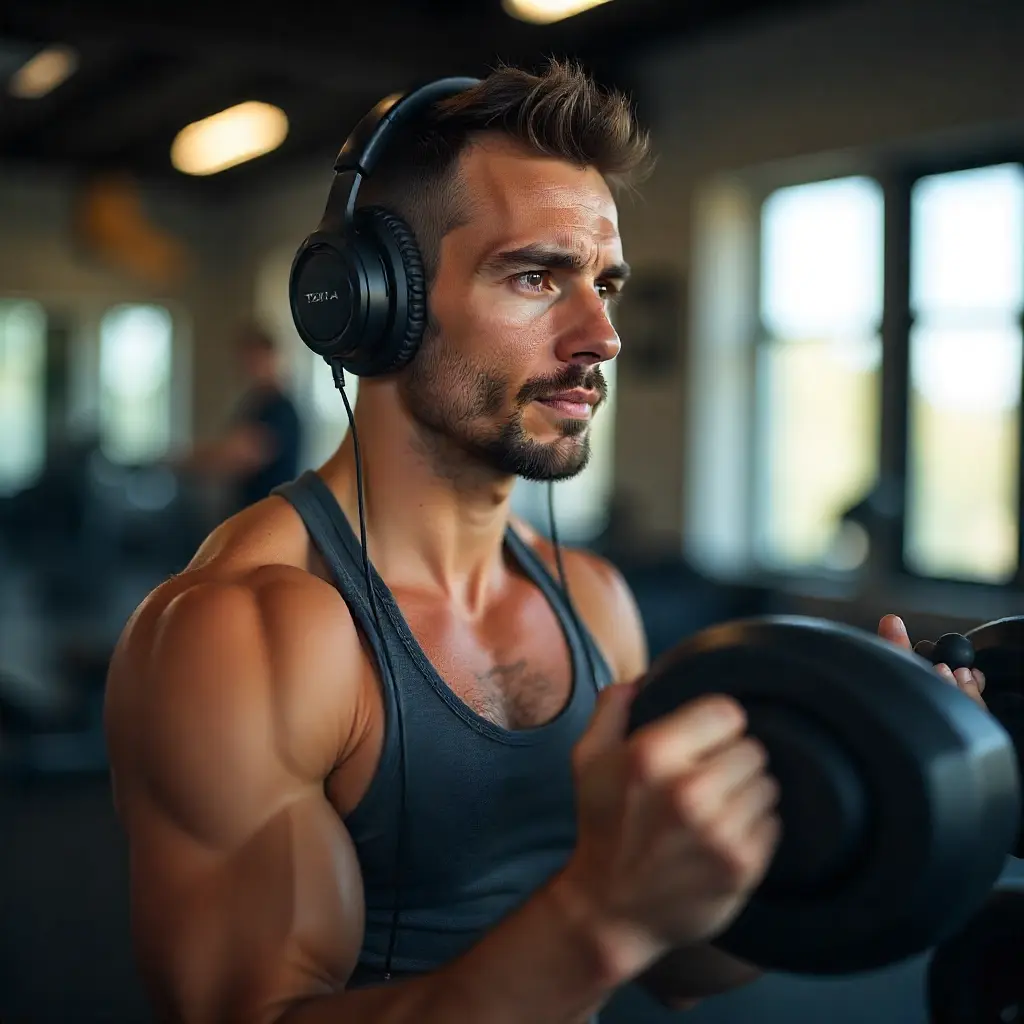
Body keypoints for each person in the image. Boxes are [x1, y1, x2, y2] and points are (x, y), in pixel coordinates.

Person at [103, 60, 988, 1024]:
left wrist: (836, 814)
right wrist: (596, 915)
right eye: (535, 276)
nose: (601, 333)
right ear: (370, 304)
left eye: (604, 283)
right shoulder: (248, 630)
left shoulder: (595, 598)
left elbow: (681, 969)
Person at [171, 322, 302, 514]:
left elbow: (239, 455)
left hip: (267, 517)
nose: (247, 367)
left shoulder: (280, 409)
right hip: (247, 511)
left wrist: (181, 461)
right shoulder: (253, 403)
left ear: (271, 357)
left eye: (254, 359)